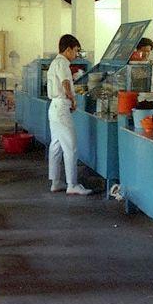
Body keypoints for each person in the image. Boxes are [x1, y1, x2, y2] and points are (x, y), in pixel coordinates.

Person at [47, 34, 93, 196]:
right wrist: (72, 99)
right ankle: (72, 184)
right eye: (75, 51)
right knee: (70, 147)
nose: (76, 54)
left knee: (56, 146)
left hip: (54, 107)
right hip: (61, 108)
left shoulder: (55, 62)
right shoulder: (63, 63)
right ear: (67, 50)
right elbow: (65, 82)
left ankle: (55, 182)